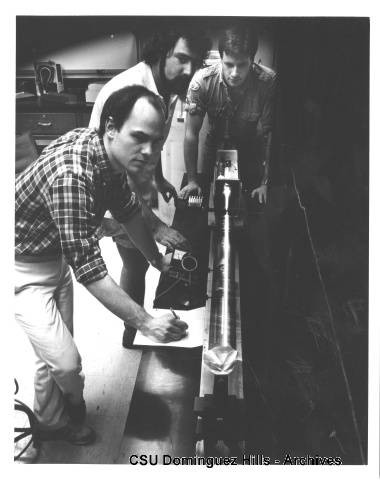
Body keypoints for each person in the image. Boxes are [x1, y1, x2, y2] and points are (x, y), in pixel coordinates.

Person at [15, 85, 188, 445]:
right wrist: (147, 323)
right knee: (65, 362)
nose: (149, 152)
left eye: (156, 142)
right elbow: (91, 270)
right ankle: (68, 414)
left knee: (51, 351)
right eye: (139, 138)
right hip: (20, 269)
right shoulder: (72, 176)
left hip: (54, 257)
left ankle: (50, 422)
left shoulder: (106, 157)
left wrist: (156, 261)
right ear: (111, 127)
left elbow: (128, 213)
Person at [89, 26, 211, 347]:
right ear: (161, 52)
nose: (189, 70)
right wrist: (154, 225)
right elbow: (121, 174)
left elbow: (148, 146)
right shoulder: (133, 90)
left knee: (141, 258)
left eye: (195, 62)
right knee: (134, 260)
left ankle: (137, 331)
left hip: (129, 183)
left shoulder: (167, 89)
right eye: (182, 59)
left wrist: (158, 179)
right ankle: (135, 333)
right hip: (109, 188)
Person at [178, 23, 277, 287]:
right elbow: (191, 134)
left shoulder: (267, 83)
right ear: (220, 57)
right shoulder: (202, 81)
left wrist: (265, 181)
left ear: (253, 60)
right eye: (229, 64)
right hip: (215, 145)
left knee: (252, 217)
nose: (234, 73)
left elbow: (267, 135)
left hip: (250, 148)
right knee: (203, 214)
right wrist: (192, 180)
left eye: (242, 65)